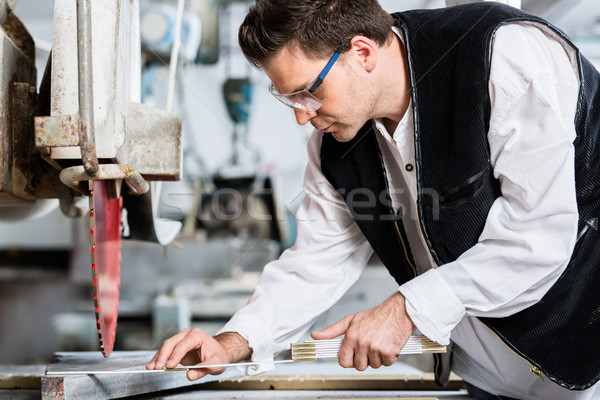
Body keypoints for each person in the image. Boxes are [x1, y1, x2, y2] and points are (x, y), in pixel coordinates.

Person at [147, 1, 600, 399]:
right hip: (482, 378)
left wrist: (405, 308)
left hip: (587, 371)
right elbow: (315, 263)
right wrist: (234, 342)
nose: (303, 116)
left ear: (361, 52)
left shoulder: (503, 55)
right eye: (288, 100)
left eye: (308, 92)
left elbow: (538, 238)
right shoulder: (333, 145)